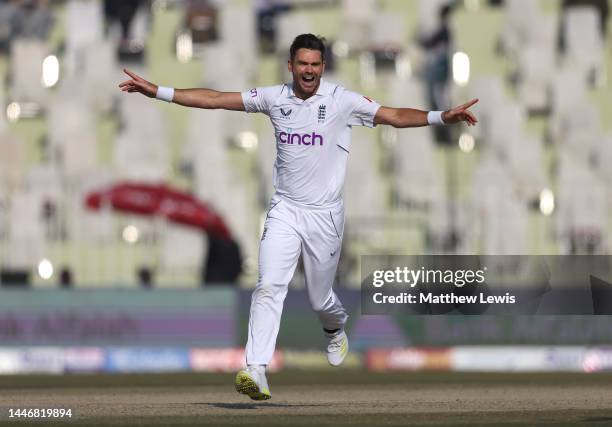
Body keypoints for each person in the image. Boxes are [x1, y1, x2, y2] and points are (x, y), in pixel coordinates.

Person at [119, 33, 478, 401]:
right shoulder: (274, 98)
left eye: (315, 64)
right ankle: (256, 369)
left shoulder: (342, 101)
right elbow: (214, 100)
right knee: (269, 285)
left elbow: (394, 116)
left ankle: (335, 329)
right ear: (290, 65)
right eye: (302, 64)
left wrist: (440, 117)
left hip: (325, 216)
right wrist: (158, 91)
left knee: (321, 300)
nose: (308, 71)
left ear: (323, 66)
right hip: (285, 211)